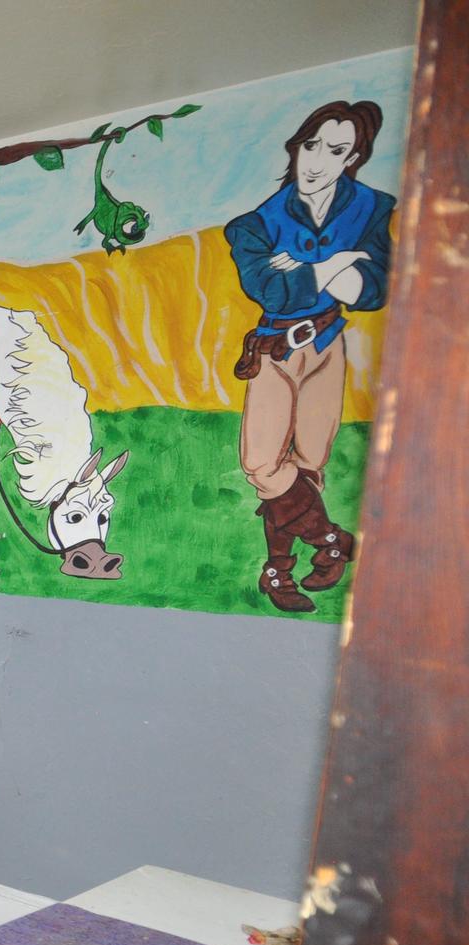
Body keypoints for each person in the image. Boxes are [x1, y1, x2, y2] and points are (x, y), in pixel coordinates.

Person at [224, 99, 395, 613]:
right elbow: (270, 292)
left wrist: (305, 267)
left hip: (327, 345)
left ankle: (278, 572)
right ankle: (331, 541)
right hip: (276, 350)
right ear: (295, 148)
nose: (317, 161)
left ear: (354, 158)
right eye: (311, 145)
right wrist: (336, 263)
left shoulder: (373, 207)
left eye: (336, 150)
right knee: (261, 464)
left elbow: (372, 290)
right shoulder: (254, 225)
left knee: (310, 465)